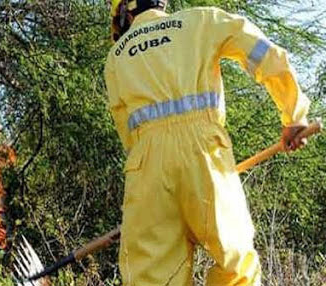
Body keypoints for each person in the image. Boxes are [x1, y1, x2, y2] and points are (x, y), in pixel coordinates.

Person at [103, 0, 310, 285]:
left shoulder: (116, 56)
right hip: (205, 154)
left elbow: (125, 127)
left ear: (126, 11)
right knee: (237, 264)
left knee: (150, 278)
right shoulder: (202, 21)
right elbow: (265, 54)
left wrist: (147, 188)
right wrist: (293, 115)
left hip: (145, 168)